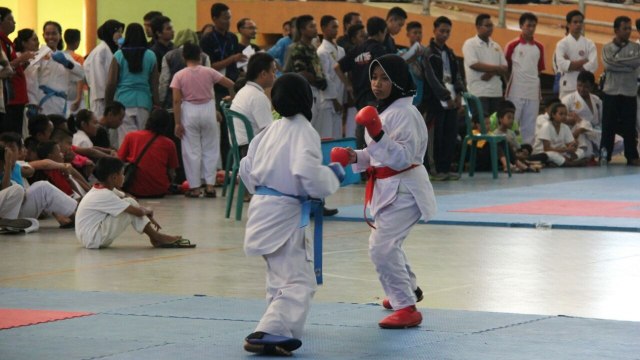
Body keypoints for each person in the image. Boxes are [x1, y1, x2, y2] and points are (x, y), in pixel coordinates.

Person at [239, 73, 342, 356]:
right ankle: (271, 330)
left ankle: (279, 321)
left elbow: (245, 168)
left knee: (279, 273)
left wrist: (263, 190)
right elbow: (307, 174)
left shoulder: (268, 131)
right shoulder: (304, 131)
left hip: (260, 208)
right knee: (300, 280)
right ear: (307, 100)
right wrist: (331, 176)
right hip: (283, 214)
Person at [331, 54, 436, 328]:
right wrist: (354, 156)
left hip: (405, 189)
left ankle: (407, 307)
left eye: (385, 78)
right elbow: (377, 155)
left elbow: (402, 158)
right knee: (389, 245)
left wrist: (377, 134)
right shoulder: (386, 110)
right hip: (389, 187)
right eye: (374, 77)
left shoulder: (405, 114)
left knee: (381, 247)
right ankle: (406, 290)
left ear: (398, 81)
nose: (377, 84)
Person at [75, 156, 194, 249]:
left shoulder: (102, 189)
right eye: (122, 173)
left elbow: (128, 197)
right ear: (114, 178)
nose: (124, 176)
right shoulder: (104, 195)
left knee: (129, 202)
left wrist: (144, 213)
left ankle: (155, 237)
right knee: (130, 204)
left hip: (89, 237)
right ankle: (156, 237)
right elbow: (136, 210)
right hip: (93, 239)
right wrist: (148, 211)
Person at [171, 42, 233, 198]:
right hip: (208, 110)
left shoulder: (179, 75)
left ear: (184, 56)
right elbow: (231, 83)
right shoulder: (209, 72)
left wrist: (177, 122)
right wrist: (232, 98)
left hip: (189, 111)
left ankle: (195, 187)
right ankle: (210, 186)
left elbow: (177, 101)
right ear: (200, 56)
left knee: (191, 150)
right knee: (210, 148)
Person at [200, 3, 246, 170]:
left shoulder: (232, 38)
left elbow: (234, 65)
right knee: (222, 130)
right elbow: (207, 67)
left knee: (235, 127)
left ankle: (235, 165)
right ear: (214, 19)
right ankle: (223, 168)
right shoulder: (207, 40)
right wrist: (232, 59)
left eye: (229, 18)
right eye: (225, 18)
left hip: (232, 86)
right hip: (216, 88)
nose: (228, 21)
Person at [420, 16, 465, 181]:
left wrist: (459, 94)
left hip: (451, 97)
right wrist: (445, 96)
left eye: (447, 32)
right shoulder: (428, 53)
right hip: (434, 101)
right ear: (434, 31)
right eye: (442, 31)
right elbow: (432, 79)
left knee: (450, 134)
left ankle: (445, 168)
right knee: (434, 136)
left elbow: (457, 75)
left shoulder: (450, 53)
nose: (445, 34)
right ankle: (433, 170)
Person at [335, 16, 390, 149]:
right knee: (376, 137)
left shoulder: (358, 49)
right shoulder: (379, 50)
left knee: (361, 135)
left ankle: (361, 165)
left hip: (359, 99)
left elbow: (337, 67)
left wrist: (348, 85)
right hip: (375, 98)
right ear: (381, 32)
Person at [105, 23, 159, 147]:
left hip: (123, 104)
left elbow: (111, 83)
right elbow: (154, 84)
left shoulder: (118, 55)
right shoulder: (151, 56)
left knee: (126, 142)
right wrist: (157, 103)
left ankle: (126, 166)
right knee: (143, 142)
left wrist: (108, 104)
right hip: (144, 103)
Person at [600, 16, 640, 166]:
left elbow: (638, 61)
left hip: (629, 92)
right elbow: (608, 64)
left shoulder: (636, 48)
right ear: (616, 30)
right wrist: (628, 66)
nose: (628, 31)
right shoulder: (606, 48)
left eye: (630, 28)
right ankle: (605, 155)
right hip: (611, 92)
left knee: (630, 127)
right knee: (608, 127)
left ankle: (632, 156)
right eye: (625, 28)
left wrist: (618, 63)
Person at [118, 108, 178, 198]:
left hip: (133, 189)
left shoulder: (131, 136)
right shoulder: (169, 144)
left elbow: (118, 161)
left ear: (148, 121)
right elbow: (172, 172)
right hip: (159, 190)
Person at [505, 13, 545, 146]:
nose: (531, 28)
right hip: (515, 92)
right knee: (512, 123)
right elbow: (506, 68)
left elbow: (538, 70)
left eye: (534, 26)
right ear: (521, 26)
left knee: (530, 126)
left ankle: (527, 153)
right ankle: (512, 153)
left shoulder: (539, 47)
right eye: (528, 25)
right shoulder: (512, 45)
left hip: (533, 93)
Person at [32, 21, 84, 117]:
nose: (51, 37)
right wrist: (32, 102)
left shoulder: (66, 57)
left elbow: (81, 74)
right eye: (47, 34)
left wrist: (67, 63)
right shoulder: (37, 55)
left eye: (54, 34)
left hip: (60, 103)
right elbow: (31, 79)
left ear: (60, 36)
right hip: (42, 102)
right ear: (43, 35)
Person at [285, 15, 327, 133]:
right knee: (308, 127)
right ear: (302, 30)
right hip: (307, 90)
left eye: (315, 26)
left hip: (316, 90)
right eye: (311, 26)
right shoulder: (298, 48)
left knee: (316, 128)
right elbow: (301, 73)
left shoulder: (312, 47)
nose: (315, 29)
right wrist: (316, 79)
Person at [462, 14, 508, 117]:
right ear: (478, 27)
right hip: (479, 92)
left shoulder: (496, 46)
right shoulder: (470, 44)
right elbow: (474, 64)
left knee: (494, 127)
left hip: (496, 92)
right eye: (487, 25)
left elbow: (505, 67)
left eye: (491, 25)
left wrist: (492, 72)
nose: (490, 28)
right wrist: (497, 69)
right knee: (481, 126)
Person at [230, 53, 275, 156]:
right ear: (263, 74)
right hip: (251, 150)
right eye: (273, 71)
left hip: (240, 147)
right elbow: (269, 132)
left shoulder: (244, 91)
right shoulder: (257, 96)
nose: (275, 75)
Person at [0, 7, 35, 135]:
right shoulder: (2, 43)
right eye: (10, 19)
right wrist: (20, 59)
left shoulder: (7, 43)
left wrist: (21, 65)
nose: (14, 23)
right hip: (9, 99)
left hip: (16, 98)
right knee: (10, 136)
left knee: (17, 134)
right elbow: (4, 69)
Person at [84, 20, 125, 118]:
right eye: (118, 32)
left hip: (111, 98)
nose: (120, 35)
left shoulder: (114, 50)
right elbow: (98, 78)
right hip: (101, 99)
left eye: (121, 32)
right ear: (110, 32)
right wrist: (106, 98)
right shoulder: (101, 51)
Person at [554, 10, 598, 99]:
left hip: (584, 88)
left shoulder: (589, 43)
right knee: (565, 112)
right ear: (568, 24)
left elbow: (594, 64)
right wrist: (584, 61)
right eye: (575, 22)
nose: (578, 24)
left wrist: (570, 64)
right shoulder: (562, 44)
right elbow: (562, 65)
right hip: (567, 86)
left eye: (580, 22)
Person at [317, 15, 345, 139]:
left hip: (340, 98)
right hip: (328, 102)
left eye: (337, 27)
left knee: (338, 137)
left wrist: (342, 99)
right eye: (333, 27)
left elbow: (344, 76)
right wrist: (334, 100)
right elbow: (325, 77)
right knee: (327, 137)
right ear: (323, 28)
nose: (336, 30)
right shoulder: (321, 51)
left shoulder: (341, 50)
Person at [532, 102, 583, 167]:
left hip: (559, 151)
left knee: (581, 151)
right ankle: (568, 163)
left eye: (565, 114)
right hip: (543, 153)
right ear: (553, 115)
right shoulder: (546, 126)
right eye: (561, 114)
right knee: (552, 155)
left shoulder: (565, 127)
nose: (564, 116)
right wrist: (567, 149)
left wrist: (574, 146)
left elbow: (570, 144)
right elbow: (547, 149)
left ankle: (557, 162)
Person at [63, 29, 85, 115]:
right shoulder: (78, 58)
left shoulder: (61, 55)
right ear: (77, 42)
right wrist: (78, 98)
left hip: (64, 95)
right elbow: (80, 79)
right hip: (75, 96)